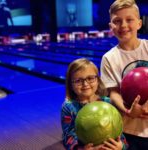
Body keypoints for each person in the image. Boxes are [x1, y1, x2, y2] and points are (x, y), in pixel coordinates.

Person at [100, 0, 148, 149]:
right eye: (117, 21)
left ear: (139, 23)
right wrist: (129, 111)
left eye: (129, 20)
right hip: (130, 130)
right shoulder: (109, 58)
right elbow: (113, 92)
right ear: (111, 27)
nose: (124, 25)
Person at [61, 58, 128, 150]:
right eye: (78, 80)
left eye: (90, 78)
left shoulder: (108, 102)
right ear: (71, 85)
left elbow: (119, 131)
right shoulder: (68, 107)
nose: (85, 84)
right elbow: (67, 137)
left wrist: (121, 146)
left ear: (98, 80)